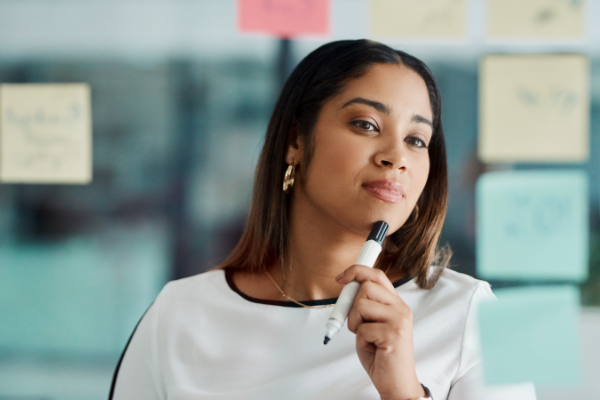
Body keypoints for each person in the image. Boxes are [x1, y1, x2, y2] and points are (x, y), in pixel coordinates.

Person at [109, 40, 536, 400]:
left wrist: (403, 392)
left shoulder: (473, 317)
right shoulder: (180, 314)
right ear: (296, 141)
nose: (396, 156)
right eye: (366, 124)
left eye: (416, 139)